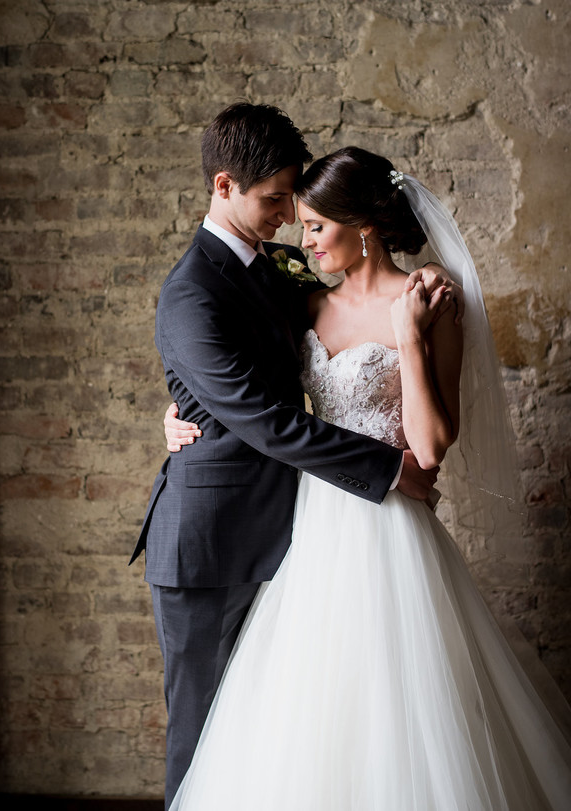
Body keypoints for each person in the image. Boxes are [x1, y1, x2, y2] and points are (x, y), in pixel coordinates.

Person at [165, 147, 571, 810]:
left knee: (403, 705)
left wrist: (408, 337)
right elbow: (242, 380)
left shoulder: (430, 300)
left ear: (368, 227)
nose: (307, 240)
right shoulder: (302, 302)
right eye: (302, 225)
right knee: (313, 705)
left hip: (391, 524)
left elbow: (432, 447)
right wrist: (179, 404)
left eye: (319, 226)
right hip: (313, 526)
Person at [129, 105, 457, 809]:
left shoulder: (278, 273)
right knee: (204, 731)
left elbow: (308, 353)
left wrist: (190, 402)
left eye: (299, 204)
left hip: (292, 529)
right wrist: (388, 466)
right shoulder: (191, 292)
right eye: (276, 199)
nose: (288, 219)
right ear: (225, 185)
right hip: (209, 542)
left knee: (286, 726)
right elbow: (268, 419)